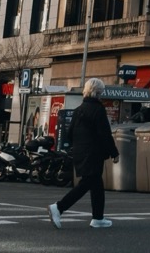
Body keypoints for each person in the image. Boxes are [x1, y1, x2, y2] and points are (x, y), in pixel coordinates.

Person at [49, 79, 116, 230]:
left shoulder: (79, 109)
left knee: (96, 185)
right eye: (101, 92)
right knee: (87, 183)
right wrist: (114, 153)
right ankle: (58, 207)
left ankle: (98, 218)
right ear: (98, 93)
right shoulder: (98, 110)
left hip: (81, 152)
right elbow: (105, 134)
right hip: (93, 153)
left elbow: (70, 132)